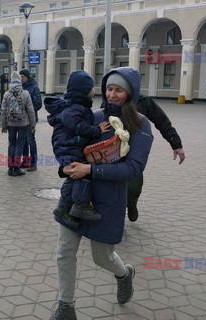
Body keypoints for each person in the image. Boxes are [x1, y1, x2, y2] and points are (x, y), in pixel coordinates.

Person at [49, 67, 153, 319]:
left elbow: (133, 168)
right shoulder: (93, 116)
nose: (112, 94)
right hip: (76, 194)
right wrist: (66, 165)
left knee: (101, 257)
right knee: (64, 251)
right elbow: (67, 142)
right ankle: (66, 306)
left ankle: (123, 273)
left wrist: (90, 170)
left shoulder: (141, 124)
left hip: (108, 200)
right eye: (109, 89)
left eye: (119, 90)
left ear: (130, 94)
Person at [45, 70, 110, 225]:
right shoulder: (74, 107)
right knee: (82, 173)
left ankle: (63, 208)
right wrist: (97, 130)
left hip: (69, 146)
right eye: (92, 87)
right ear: (85, 90)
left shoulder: (77, 106)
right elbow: (75, 125)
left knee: (73, 176)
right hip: (68, 146)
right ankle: (81, 205)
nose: (95, 90)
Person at [127, 94, 186, 221]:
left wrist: (176, 144)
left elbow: (162, 121)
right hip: (113, 151)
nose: (113, 93)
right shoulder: (110, 99)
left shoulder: (143, 101)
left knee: (133, 186)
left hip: (135, 151)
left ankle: (131, 204)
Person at [0, 71, 36, 176]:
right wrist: (32, 124)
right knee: (19, 144)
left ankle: (10, 168)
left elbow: (3, 110)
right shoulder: (25, 93)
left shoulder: (7, 94)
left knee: (11, 144)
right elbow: (30, 110)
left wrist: (4, 125)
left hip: (11, 124)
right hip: (23, 124)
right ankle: (16, 167)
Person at [19, 68, 42, 171]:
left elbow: (38, 103)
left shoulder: (34, 87)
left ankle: (33, 163)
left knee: (31, 140)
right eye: (20, 76)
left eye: (22, 76)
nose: (21, 78)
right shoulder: (21, 87)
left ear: (27, 77)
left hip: (31, 118)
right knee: (23, 141)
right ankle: (26, 160)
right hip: (22, 118)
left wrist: (29, 111)